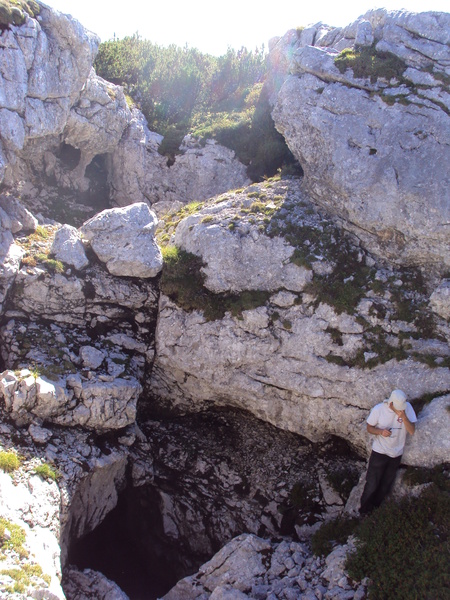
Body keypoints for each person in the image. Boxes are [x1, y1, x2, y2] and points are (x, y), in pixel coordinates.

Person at [359, 389, 417, 515]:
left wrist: (403, 416)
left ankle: (375, 510)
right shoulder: (379, 409)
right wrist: (381, 432)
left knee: (385, 485)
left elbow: (412, 430)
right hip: (380, 452)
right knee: (372, 484)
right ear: (391, 403)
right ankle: (363, 511)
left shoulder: (407, 409)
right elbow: (369, 428)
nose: (401, 409)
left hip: (396, 454)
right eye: (398, 407)